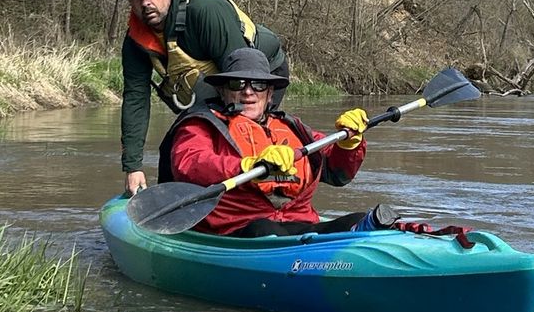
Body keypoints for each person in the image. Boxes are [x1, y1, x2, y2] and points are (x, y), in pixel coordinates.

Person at [155, 46, 392, 237]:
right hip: (236, 229)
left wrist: (348, 145)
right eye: (238, 84)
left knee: (361, 220)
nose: (248, 92)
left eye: (258, 85)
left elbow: (338, 172)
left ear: (269, 94)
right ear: (223, 91)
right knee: (264, 229)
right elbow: (189, 163)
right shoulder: (201, 124)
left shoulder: (293, 128)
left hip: (298, 226)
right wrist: (246, 166)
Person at [119, 0, 288, 194]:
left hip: (259, 76)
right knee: (174, 148)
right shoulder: (135, 41)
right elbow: (136, 99)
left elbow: (243, 75)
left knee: (238, 141)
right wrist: (133, 167)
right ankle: (174, 209)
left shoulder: (204, 10)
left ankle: (266, 198)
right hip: (216, 87)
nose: (145, 3)